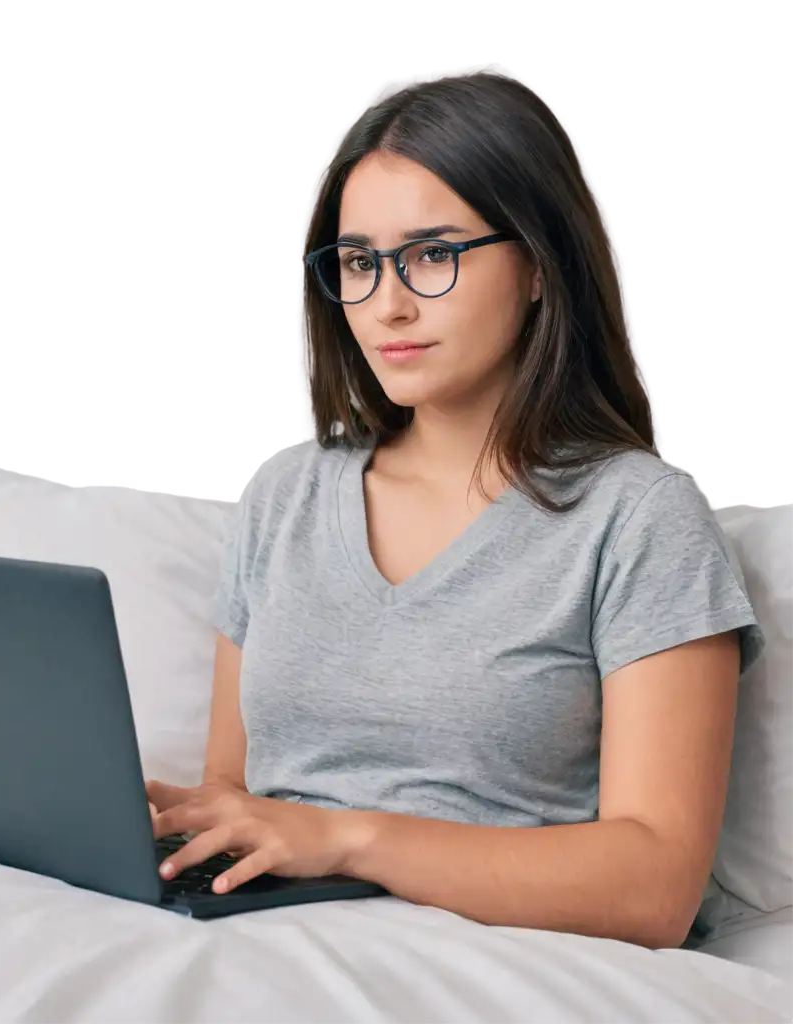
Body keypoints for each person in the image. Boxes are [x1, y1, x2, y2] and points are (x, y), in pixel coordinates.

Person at [144, 75, 765, 950]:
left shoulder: (639, 520)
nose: (387, 303)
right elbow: (233, 792)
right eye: (359, 262)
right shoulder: (285, 494)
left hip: (493, 954)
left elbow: (656, 885)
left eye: (432, 254)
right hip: (267, 933)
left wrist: (351, 838)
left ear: (540, 268)